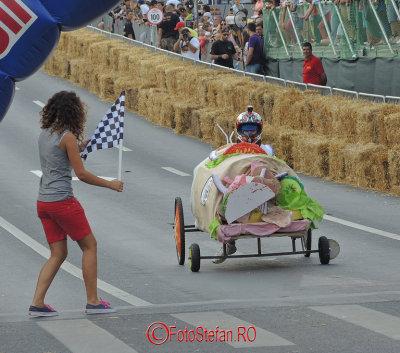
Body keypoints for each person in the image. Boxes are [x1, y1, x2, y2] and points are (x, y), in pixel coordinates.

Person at [29, 91, 124, 317]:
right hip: (63, 202)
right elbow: (80, 174)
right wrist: (110, 184)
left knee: (57, 253)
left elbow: (57, 156)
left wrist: (80, 147)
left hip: (44, 202)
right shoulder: (68, 137)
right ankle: (93, 301)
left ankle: (38, 303)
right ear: (74, 112)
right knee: (90, 246)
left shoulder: (45, 134)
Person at [213, 106, 273, 264]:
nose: (249, 134)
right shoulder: (230, 149)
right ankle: (228, 242)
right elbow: (216, 160)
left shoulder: (266, 149)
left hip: (262, 186)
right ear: (239, 130)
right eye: (245, 130)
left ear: (259, 130)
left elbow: (275, 165)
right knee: (221, 200)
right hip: (236, 186)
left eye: (252, 130)